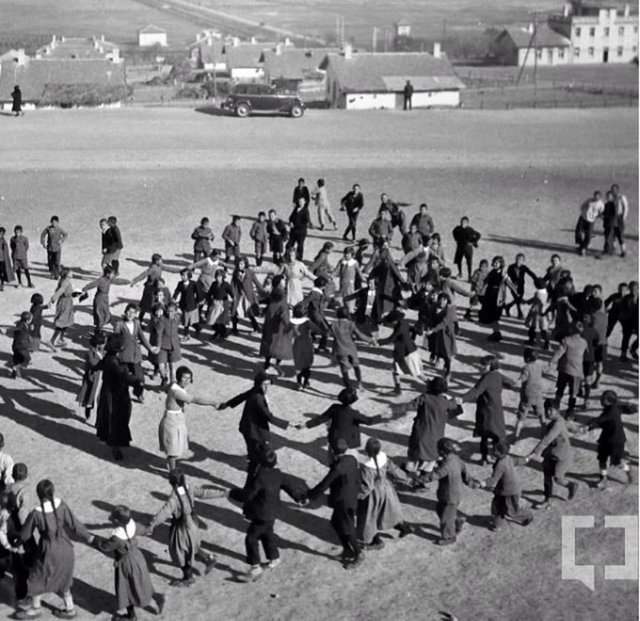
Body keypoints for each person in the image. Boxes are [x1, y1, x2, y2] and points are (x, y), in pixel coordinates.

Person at [16, 479, 94, 621]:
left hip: (48, 551)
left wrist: (17, 542)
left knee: (37, 578)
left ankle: (35, 609)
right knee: (63, 579)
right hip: (66, 549)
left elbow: (25, 535)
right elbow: (75, 525)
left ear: (39, 495)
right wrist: (90, 538)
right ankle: (70, 609)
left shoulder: (36, 513)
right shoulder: (61, 505)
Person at [145, 469, 223, 586]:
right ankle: (209, 558)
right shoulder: (189, 488)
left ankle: (188, 578)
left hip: (182, 529)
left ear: (171, 482)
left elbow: (163, 513)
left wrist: (151, 525)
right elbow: (204, 493)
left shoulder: (173, 499)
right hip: (193, 524)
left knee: (180, 553)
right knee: (193, 546)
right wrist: (223, 493)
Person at [242, 449, 306, 581]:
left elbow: (249, 495)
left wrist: (234, 493)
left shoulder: (260, 477)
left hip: (261, 513)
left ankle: (255, 567)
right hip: (273, 512)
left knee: (251, 538)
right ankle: (274, 558)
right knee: (267, 534)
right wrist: (299, 498)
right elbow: (289, 487)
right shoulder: (278, 474)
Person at [218, 371, 292, 485]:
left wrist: (227, 404)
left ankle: (249, 486)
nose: (267, 387)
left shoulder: (255, 391)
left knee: (254, 459)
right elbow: (269, 417)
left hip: (248, 429)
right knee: (263, 460)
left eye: (268, 384)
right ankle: (252, 487)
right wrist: (289, 424)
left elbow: (241, 396)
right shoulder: (258, 398)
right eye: (264, 384)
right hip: (256, 433)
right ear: (258, 384)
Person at [92, 505, 164, 620]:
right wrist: (150, 526)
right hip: (138, 558)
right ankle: (158, 598)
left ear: (116, 521)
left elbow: (104, 547)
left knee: (126, 588)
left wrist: (94, 540)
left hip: (126, 564)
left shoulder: (117, 538)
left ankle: (131, 616)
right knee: (143, 582)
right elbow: (145, 530)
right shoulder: (133, 526)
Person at [307, 438, 363, 569]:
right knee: (336, 522)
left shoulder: (338, 467)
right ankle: (347, 549)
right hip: (349, 497)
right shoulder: (352, 459)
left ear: (333, 451)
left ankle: (358, 553)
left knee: (347, 527)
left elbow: (324, 484)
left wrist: (310, 495)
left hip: (343, 501)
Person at [396, 377, 461, 477]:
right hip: (436, 436)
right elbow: (455, 407)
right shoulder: (445, 402)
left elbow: (410, 406)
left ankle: (409, 472)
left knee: (415, 456)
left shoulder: (425, 398)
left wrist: (395, 410)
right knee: (431, 459)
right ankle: (423, 478)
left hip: (420, 433)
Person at [159, 366, 220, 471]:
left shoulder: (174, 385)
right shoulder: (177, 392)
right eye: (185, 378)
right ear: (179, 378)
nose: (187, 381)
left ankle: (171, 466)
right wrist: (213, 403)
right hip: (172, 420)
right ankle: (172, 471)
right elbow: (194, 399)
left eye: (189, 378)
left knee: (175, 447)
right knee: (173, 449)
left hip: (176, 418)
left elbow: (165, 388)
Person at [298, 387, 385, 459]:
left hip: (334, 440)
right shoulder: (353, 414)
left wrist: (305, 425)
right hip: (348, 443)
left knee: (333, 459)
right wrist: (382, 416)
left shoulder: (334, 408)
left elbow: (320, 419)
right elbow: (368, 421)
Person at [357, 438, 413, 549]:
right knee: (392, 512)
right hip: (387, 489)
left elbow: (367, 487)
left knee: (369, 518)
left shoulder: (367, 468)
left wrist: (358, 496)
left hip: (374, 495)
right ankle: (405, 528)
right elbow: (395, 470)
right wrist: (406, 478)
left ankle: (373, 541)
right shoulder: (385, 458)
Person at [459, 356, 515, 465]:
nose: (482, 367)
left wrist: (462, 399)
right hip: (496, 410)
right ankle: (498, 457)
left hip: (485, 410)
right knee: (496, 436)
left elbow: (476, 391)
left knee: (484, 436)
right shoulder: (497, 375)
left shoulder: (487, 377)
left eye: (485, 365)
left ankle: (484, 458)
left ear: (491, 365)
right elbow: (511, 383)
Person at [95, 335, 141, 461]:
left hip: (116, 392)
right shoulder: (112, 360)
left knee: (117, 418)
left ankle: (116, 444)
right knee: (115, 419)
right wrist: (136, 381)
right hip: (114, 394)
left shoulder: (111, 357)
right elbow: (122, 375)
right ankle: (115, 447)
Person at [526, 399, 578, 510]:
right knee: (546, 477)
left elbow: (547, 438)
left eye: (551, 410)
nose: (548, 412)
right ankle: (547, 500)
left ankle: (571, 485)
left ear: (557, 410)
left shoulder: (558, 423)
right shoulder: (553, 422)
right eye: (547, 410)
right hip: (550, 454)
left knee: (558, 478)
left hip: (562, 456)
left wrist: (535, 452)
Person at [580, 391, 635, 489]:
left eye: (602, 398)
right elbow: (602, 422)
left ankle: (628, 470)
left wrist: (588, 425)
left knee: (618, 463)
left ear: (608, 401)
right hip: (605, 438)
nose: (600, 399)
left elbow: (600, 420)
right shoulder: (613, 407)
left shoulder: (612, 411)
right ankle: (603, 478)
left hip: (616, 441)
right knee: (602, 458)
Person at [473, 441, 533, 531]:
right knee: (497, 507)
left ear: (498, 452)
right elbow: (517, 461)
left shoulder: (500, 465)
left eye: (493, 450)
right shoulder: (507, 458)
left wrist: (481, 484)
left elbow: (493, 479)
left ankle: (527, 515)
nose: (491, 451)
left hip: (509, 491)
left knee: (511, 511)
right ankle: (497, 524)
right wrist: (527, 459)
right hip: (504, 490)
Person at [425, 438, 471, 545]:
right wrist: (469, 481)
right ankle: (456, 523)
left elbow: (434, 476)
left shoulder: (446, 466)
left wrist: (418, 480)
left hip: (450, 496)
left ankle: (449, 537)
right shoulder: (455, 458)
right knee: (440, 509)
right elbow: (464, 469)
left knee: (445, 518)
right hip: (452, 493)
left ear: (441, 451)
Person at [113, 303, 155, 402]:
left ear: (136, 314)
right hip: (124, 355)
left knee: (140, 378)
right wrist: (116, 351)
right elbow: (115, 339)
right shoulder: (119, 324)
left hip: (135, 354)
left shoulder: (136, 323)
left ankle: (139, 394)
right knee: (124, 378)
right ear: (125, 312)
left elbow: (142, 336)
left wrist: (150, 348)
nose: (130, 314)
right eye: (129, 311)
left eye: (133, 312)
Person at [546, 322, 587, 420]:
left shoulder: (566, 340)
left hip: (564, 369)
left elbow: (559, 352)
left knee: (560, 389)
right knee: (573, 393)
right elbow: (585, 355)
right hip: (576, 371)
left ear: (571, 330)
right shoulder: (584, 342)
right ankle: (570, 413)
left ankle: (555, 408)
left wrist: (551, 362)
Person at [378, 310, 423, 395]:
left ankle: (434, 386)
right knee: (395, 369)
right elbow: (412, 329)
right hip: (406, 352)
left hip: (407, 353)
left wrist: (378, 342)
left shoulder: (399, 328)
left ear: (395, 321)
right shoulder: (404, 322)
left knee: (419, 374)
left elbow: (390, 340)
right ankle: (397, 389)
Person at [330, 306, 375, 388]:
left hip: (340, 349)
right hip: (351, 349)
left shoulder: (333, 324)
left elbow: (330, 335)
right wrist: (370, 340)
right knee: (356, 366)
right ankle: (360, 383)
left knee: (344, 371)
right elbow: (360, 335)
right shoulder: (351, 324)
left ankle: (349, 389)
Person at [479, 256, 518, 342]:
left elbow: (510, 284)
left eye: (497, 263)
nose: (495, 264)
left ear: (501, 264)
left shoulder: (503, 275)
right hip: (490, 297)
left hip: (498, 299)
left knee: (495, 317)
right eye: (494, 262)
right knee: (491, 317)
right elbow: (486, 281)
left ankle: (497, 333)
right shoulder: (492, 272)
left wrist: (516, 292)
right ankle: (496, 332)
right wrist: (481, 289)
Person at [513, 347, 546, 441]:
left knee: (521, 417)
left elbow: (524, 377)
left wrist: (517, 381)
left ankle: (516, 436)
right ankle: (543, 433)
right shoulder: (539, 366)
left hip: (527, 396)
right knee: (541, 415)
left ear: (527, 358)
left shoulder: (526, 368)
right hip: (538, 394)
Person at [259, 284, 293, 374]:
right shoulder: (282, 304)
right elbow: (284, 318)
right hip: (279, 330)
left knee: (268, 347)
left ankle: (266, 364)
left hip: (269, 328)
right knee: (280, 348)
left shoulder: (272, 304)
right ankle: (277, 364)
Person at [424, 292, 457, 379]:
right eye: (440, 299)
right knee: (437, 348)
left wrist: (433, 330)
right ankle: (437, 358)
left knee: (447, 354)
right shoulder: (434, 307)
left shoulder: (450, 310)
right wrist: (428, 327)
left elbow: (444, 322)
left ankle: (448, 372)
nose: (442, 302)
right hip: (437, 334)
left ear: (447, 301)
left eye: (444, 300)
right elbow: (430, 319)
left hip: (446, 335)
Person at [76, 332, 106, 421]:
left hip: (101, 377)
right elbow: (94, 364)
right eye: (102, 344)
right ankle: (88, 410)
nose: (104, 345)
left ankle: (99, 418)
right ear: (97, 344)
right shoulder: (90, 353)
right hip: (93, 377)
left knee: (100, 399)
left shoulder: (103, 352)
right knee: (90, 396)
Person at [230, 256, 262, 334]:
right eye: (239, 264)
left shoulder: (250, 272)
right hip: (239, 296)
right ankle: (234, 329)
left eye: (241, 264)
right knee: (235, 312)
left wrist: (262, 290)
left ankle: (256, 328)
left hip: (248, 296)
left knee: (250, 312)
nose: (240, 265)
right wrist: (233, 294)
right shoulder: (236, 272)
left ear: (245, 264)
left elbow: (256, 282)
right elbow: (233, 284)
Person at [129, 253, 163, 323]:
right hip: (149, 288)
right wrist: (135, 280)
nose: (161, 261)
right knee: (146, 305)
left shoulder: (160, 266)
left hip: (156, 287)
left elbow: (170, 268)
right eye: (160, 260)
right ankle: (141, 319)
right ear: (156, 261)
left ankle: (145, 319)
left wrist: (182, 270)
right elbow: (144, 274)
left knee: (152, 304)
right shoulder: (153, 267)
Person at [48, 268, 75, 349]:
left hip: (67, 302)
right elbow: (60, 290)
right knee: (62, 321)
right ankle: (52, 341)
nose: (72, 273)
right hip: (65, 303)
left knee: (66, 321)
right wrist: (53, 299)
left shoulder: (64, 280)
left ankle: (61, 339)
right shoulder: (65, 282)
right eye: (71, 272)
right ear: (67, 274)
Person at [82, 265, 114, 331]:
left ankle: (99, 330)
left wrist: (127, 281)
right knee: (100, 316)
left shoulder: (108, 280)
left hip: (105, 299)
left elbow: (118, 281)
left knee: (106, 315)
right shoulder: (101, 280)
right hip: (100, 300)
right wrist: (85, 289)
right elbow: (92, 284)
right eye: (112, 273)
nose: (113, 275)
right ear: (107, 274)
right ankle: (98, 332)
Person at [504, 253, 536, 319]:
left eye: (521, 259)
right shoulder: (511, 267)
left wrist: (536, 279)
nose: (519, 260)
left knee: (518, 299)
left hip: (521, 286)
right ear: (515, 259)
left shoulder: (524, 267)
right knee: (517, 299)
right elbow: (507, 276)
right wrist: (509, 283)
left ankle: (508, 307)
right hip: (513, 286)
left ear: (523, 261)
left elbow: (530, 273)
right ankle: (519, 313)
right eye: (518, 259)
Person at [172, 268, 200, 339]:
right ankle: (186, 334)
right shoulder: (180, 283)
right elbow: (177, 291)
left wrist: (197, 301)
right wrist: (174, 298)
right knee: (185, 321)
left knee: (191, 321)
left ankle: (197, 328)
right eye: (181, 275)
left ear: (189, 276)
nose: (182, 277)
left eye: (184, 275)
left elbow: (199, 293)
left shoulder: (194, 284)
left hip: (191, 305)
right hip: (183, 304)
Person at [574, 190, 604, 256]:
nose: (596, 198)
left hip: (591, 221)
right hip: (583, 218)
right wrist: (583, 213)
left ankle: (583, 248)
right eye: (595, 196)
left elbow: (602, 213)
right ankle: (581, 245)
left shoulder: (601, 205)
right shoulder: (589, 200)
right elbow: (582, 206)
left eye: (597, 197)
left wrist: (595, 216)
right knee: (578, 231)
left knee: (588, 235)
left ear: (600, 197)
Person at [452, 217, 481, 282]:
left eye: (464, 222)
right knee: (459, 260)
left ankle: (469, 275)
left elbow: (478, 235)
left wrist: (473, 242)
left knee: (469, 262)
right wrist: (456, 239)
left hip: (467, 248)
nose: (463, 224)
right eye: (462, 222)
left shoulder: (470, 230)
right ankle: (460, 273)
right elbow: (453, 232)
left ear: (467, 223)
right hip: (460, 247)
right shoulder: (457, 229)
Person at [9, 312, 34, 380]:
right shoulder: (22, 326)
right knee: (27, 359)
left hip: (15, 345)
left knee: (17, 360)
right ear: (27, 320)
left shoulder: (22, 324)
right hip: (21, 346)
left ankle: (14, 374)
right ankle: (16, 368)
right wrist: (7, 330)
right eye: (31, 319)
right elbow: (15, 329)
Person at [619, 280, 638, 362]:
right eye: (632, 289)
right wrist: (624, 322)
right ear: (629, 290)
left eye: (635, 289)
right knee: (626, 338)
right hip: (628, 322)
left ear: (638, 289)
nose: (633, 291)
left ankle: (633, 348)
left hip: (637, 322)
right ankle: (623, 354)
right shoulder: (625, 299)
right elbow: (621, 312)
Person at [610, 183, 629, 258]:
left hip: (619, 218)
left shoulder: (621, 197)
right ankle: (613, 248)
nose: (613, 191)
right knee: (612, 234)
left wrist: (624, 217)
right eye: (612, 189)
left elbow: (626, 208)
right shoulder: (611, 198)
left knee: (620, 234)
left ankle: (623, 250)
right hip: (612, 218)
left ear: (617, 190)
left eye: (614, 189)